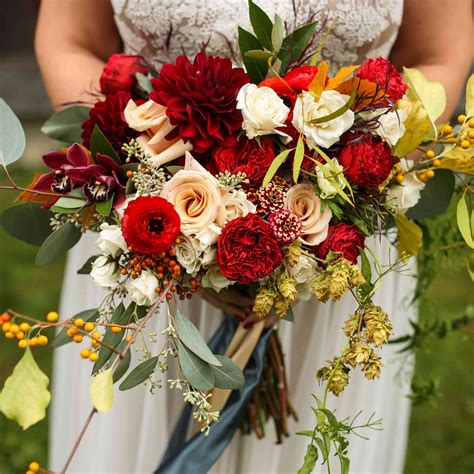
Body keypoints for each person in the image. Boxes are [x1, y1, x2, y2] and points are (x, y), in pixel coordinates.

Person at [35, 1, 472, 472]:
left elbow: (437, 56)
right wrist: (157, 193)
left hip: (333, 255)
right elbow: (71, 42)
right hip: (150, 244)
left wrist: (338, 195)